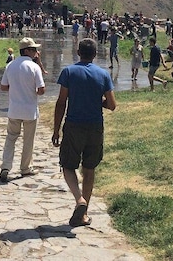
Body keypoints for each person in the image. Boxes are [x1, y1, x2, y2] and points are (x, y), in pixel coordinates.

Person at [52, 38, 117, 227]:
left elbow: (61, 102)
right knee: (89, 169)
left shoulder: (69, 72)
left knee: (67, 165)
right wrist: (98, 102)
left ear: (78, 52)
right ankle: (84, 214)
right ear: (95, 54)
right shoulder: (103, 74)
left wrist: (56, 130)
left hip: (73, 125)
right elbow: (112, 105)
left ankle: (79, 199)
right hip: (95, 126)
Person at [0, 37, 47, 182]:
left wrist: (15, 88)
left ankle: (6, 166)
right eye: (34, 50)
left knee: (11, 138)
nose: (36, 52)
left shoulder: (11, 66)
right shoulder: (34, 67)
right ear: (27, 51)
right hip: (30, 110)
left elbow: (3, 87)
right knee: (28, 140)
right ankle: (25, 168)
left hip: (14, 109)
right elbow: (41, 89)